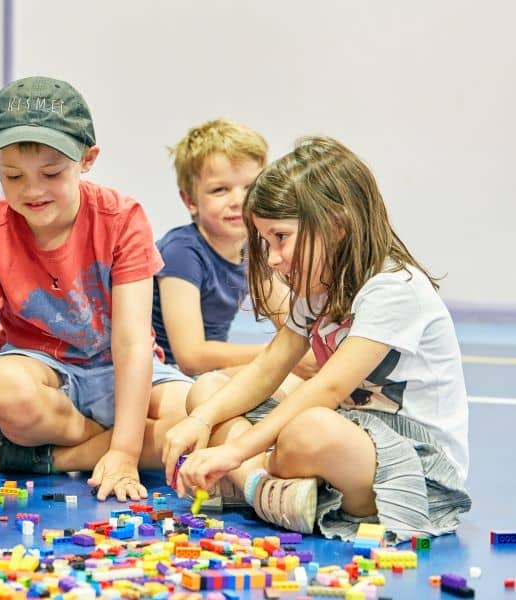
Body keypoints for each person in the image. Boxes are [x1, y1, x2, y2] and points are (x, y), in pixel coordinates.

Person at [163, 137, 471, 542]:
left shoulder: (393, 288)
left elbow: (328, 388)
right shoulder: (320, 287)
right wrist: (199, 420)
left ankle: (254, 484)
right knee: (209, 390)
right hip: (351, 430)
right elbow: (270, 366)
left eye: (281, 238)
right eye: (266, 242)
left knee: (307, 430)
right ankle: (277, 493)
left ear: (336, 225)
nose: (272, 258)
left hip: (411, 465)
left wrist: (234, 452)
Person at [0, 75, 193, 502]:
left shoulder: (122, 219)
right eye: (13, 176)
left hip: (120, 371)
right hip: (45, 374)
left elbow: (132, 344)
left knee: (197, 417)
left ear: (88, 159)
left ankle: (53, 457)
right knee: (0, 388)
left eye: (52, 173)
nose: (32, 190)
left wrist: (127, 452)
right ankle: (96, 444)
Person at [152, 119, 316, 386]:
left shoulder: (254, 251)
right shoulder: (181, 251)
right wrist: (282, 355)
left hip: (206, 373)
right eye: (220, 190)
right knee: (286, 379)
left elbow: (291, 322)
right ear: (190, 201)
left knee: (307, 379)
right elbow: (190, 356)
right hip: (168, 374)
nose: (238, 200)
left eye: (250, 187)